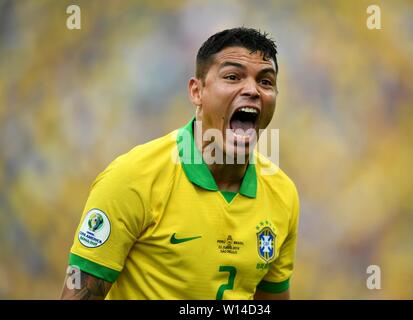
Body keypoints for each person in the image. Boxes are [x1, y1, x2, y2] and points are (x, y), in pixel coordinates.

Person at [60, 27, 300, 300]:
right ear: (197, 92)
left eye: (266, 82)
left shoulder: (283, 195)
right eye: (233, 77)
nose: (253, 90)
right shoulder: (132, 178)